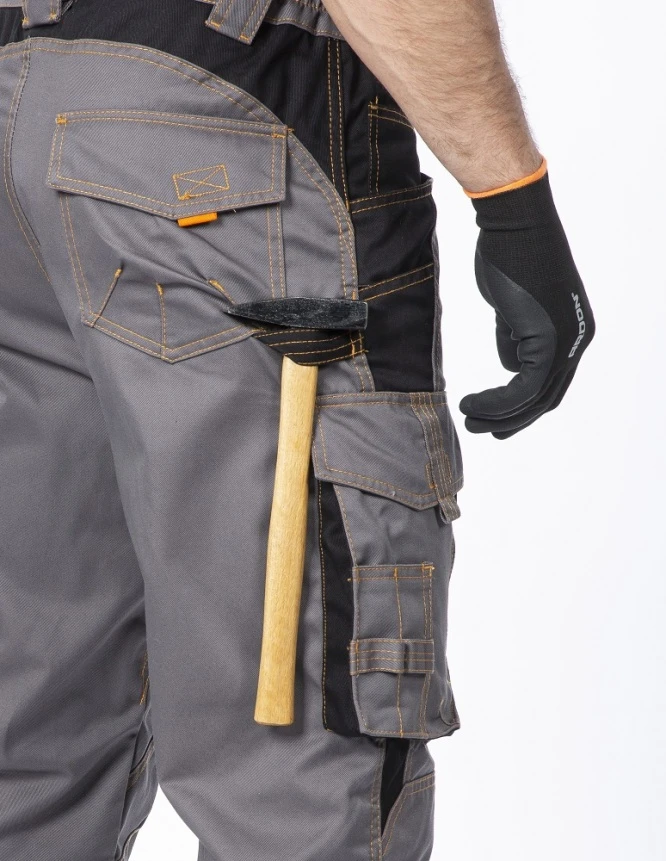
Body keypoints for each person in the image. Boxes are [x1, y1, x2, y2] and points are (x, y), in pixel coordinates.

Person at [0, 1, 594, 859]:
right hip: (224, 135)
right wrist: (513, 201)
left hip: (18, 106)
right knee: (296, 777)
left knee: (32, 730)